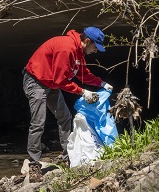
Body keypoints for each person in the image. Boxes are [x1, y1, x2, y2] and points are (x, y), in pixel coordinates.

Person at [22, 26, 113, 182]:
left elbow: (83, 74)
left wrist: (102, 83)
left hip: (51, 83)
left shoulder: (78, 52)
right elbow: (61, 81)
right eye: (95, 47)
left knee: (65, 117)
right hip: (36, 81)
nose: (95, 51)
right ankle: (34, 165)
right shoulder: (66, 49)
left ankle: (68, 157)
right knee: (38, 122)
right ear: (87, 41)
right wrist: (83, 92)